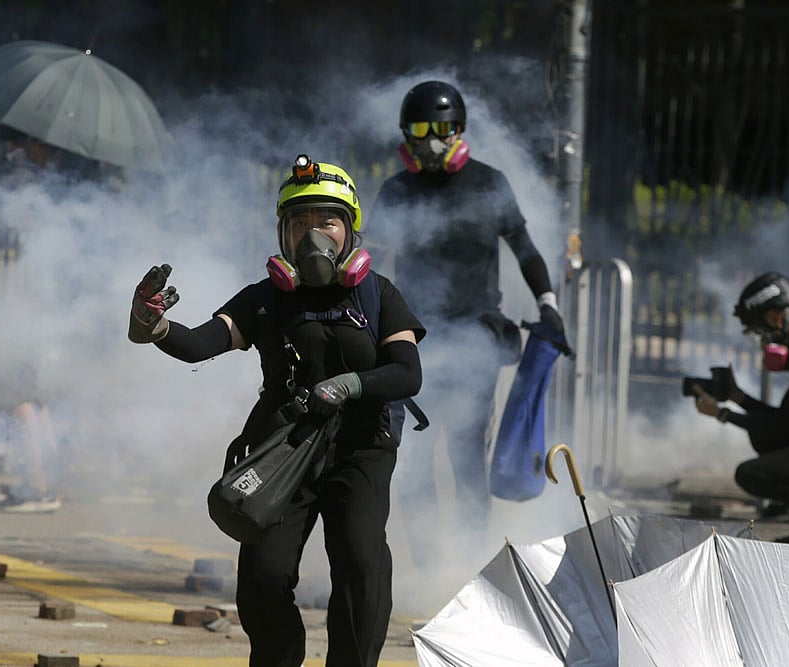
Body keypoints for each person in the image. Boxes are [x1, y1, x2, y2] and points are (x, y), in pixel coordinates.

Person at [128, 155, 425, 667]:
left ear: (349, 229)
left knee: (360, 562)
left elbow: (406, 373)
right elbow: (200, 343)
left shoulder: (378, 294)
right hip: (285, 447)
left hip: (360, 447)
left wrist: (351, 385)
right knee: (263, 576)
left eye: (326, 222)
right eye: (299, 223)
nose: (313, 236)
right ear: (283, 234)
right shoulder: (266, 299)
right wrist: (151, 324)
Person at [370, 80, 568, 567]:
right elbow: (368, 261)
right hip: (411, 341)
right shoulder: (397, 190)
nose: (431, 139)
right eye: (420, 129)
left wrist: (548, 302)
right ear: (406, 135)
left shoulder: (488, 182)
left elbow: (524, 249)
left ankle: (471, 561)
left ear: (459, 130)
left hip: (476, 340)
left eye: (441, 129)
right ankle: (422, 565)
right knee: (413, 458)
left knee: (464, 455)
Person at [691, 271, 789, 544]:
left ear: (776, 316)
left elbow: (780, 424)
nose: (766, 338)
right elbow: (782, 422)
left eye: (763, 329)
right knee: (765, 437)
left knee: (750, 473)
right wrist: (737, 397)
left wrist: (723, 414)